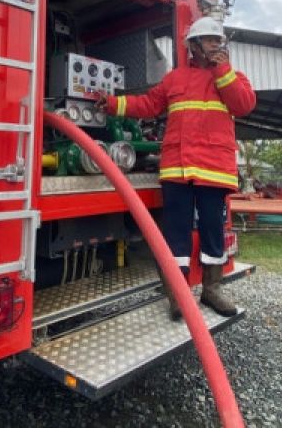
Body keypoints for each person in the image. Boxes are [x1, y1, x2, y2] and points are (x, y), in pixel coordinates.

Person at [95, 16, 256, 320]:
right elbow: (148, 104)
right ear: (193, 46)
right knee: (176, 234)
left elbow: (244, 105)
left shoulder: (233, 77)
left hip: (213, 170)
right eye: (209, 40)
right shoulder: (175, 78)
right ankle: (178, 295)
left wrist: (223, 71)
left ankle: (212, 289)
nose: (215, 45)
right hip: (177, 170)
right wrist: (114, 104)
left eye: (218, 40)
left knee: (212, 233)